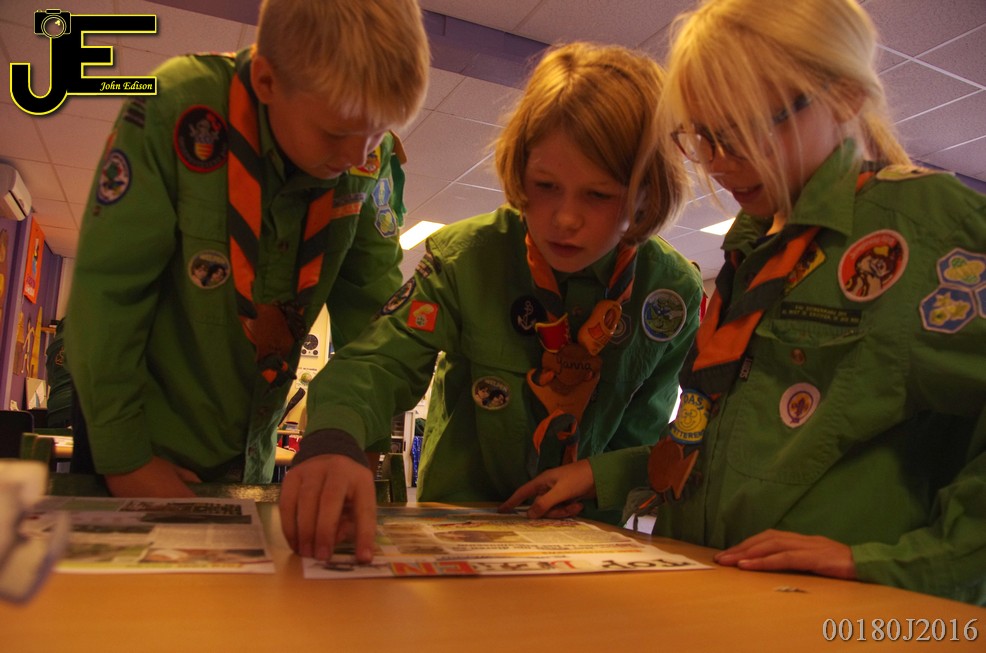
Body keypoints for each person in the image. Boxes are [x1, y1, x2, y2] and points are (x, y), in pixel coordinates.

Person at [502, 0, 986, 604]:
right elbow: (730, 446)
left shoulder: (926, 228)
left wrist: (908, 564)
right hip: (722, 589)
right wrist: (604, 473)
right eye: (703, 136)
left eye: (746, 131)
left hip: (842, 614)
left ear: (843, 96)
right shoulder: (753, 247)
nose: (721, 162)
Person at [280, 42, 705, 562]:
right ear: (519, 172)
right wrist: (334, 437)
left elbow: (657, 431)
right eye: (545, 185)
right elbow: (381, 361)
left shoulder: (671, 294)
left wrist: (599, 475)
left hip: (589, 537)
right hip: (460, 524)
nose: (564, 218)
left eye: (598, 195)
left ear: (647, 193)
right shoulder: (467, 258)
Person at [64, 0, 430, 497]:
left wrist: (352, 440)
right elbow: (108, 294)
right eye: (337, 132)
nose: (357, 155)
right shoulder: (176, 106)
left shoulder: (368, 155)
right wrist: (128, 460)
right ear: (266, 81)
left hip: (251, 456)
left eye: (380, 131)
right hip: (139, 448)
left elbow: (374, 322)